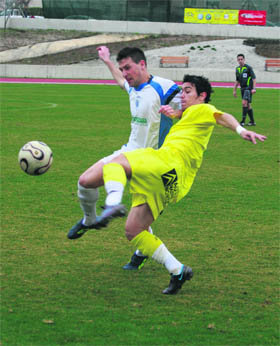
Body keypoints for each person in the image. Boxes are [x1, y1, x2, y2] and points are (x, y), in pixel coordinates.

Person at [90, 74, 266, 295]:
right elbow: (189, 119)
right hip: (174, 182)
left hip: (166, 164)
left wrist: (241, 130)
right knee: (133, 231)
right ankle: (178, 270)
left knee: (116, 164)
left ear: (201, 96)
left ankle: (112, 204)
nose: (182, 95)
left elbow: (222, 117)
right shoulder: (190, 114)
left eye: (187, 91)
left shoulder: (203, 109)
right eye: (182, 91)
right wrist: (175, 114)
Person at [67, 46, 182, 271]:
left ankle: (147, 255)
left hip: (152, 162)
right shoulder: (132, 87)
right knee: (85, 181)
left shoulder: (164, 87)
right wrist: (106, 61)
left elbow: (191, 104)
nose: (125, 73)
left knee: (136, 226)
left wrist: (180, 112)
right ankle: (89, 220)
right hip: (128, 152)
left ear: (142, 64)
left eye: (128, 67)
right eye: (122, 69)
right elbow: (121, 82)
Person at [233, 53, 257, 126]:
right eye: (239, 59)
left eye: (241, 59)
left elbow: (254, 78)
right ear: (237, 60)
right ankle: (252, 122)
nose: (240, 61)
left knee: (244, 103)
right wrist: (234, 90)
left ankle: (242, 121)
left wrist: (254, 88)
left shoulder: (248, 68)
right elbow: (237, 80)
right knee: (248, 105)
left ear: (244, 59)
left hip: (248, 88)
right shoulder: (237, 69)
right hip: (242, 89)